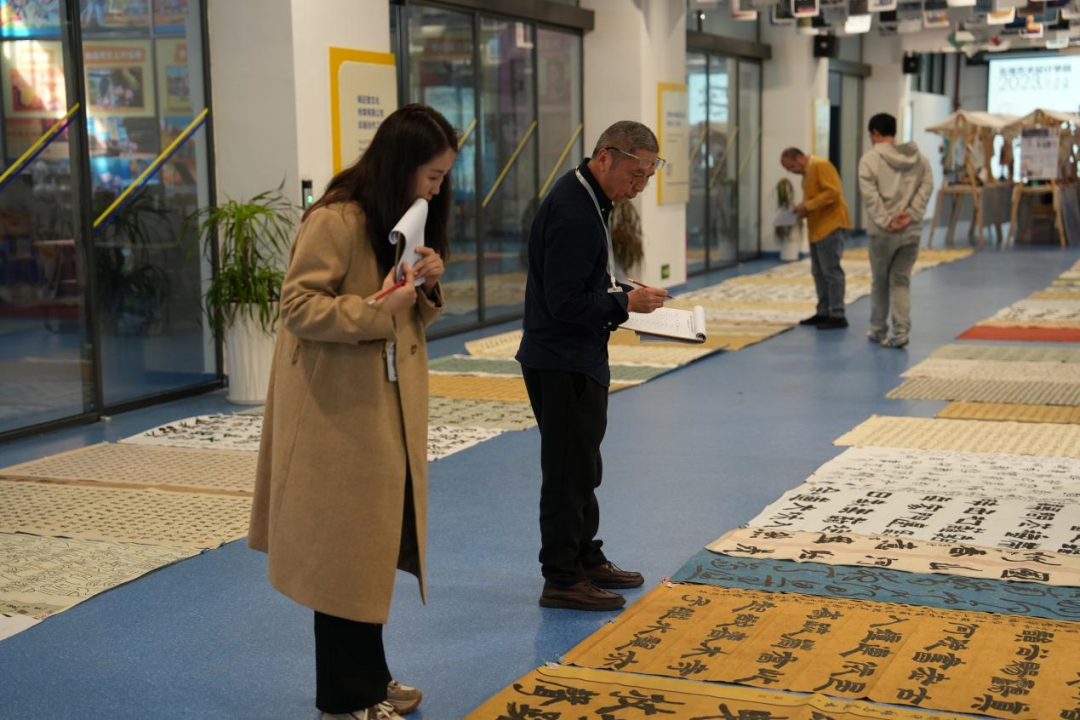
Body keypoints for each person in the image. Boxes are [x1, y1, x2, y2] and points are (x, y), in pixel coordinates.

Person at [248, 104, 455, 720]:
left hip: (381, 406)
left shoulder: (395, 216)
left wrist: (428, 281)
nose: (436, 189)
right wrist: (378, 310)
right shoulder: (336, 219)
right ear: (401, 165)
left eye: (442, 177)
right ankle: (344, 699)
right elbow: (297, 306)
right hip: (337, 410)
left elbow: (401, 299)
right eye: (432, 176)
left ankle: (371, 677)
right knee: (342, 552)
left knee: (369, 547)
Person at [516, 121, 669, 612]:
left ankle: (585, 557)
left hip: (576, 355)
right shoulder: (574, 212)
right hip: (561, 360)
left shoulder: (589, 197)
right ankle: (562, 577)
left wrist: (620, 291)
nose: (639, 186)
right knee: (567, 472)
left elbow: (581, 282)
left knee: (584, 466)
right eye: (635, 174)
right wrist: (626, 305)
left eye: (648, 176)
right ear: (604, 156)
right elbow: (564, 303)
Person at [858, 112, 934, 349]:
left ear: (875, 133)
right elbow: (927, 186)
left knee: (880, 281)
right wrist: (910, 214)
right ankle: (900, 331)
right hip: (911, 230)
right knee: (901, 280)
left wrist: (887, 220)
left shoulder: (869, 160)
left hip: (883, 232)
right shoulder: (920, 159)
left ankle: (878, 329)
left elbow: (870, 195)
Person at [780, 147, 852, 329]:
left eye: (791, 167)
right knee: (818, 272)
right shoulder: (807, 173)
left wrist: (807, 205)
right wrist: (798, 212)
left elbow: (833, 192)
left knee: (831, 271)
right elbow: (814, 200)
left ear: (799, 158)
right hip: (817, 228)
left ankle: (837, 313)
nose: (792, 172)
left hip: (831, 225)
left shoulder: (821, 166)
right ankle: (823, 311)